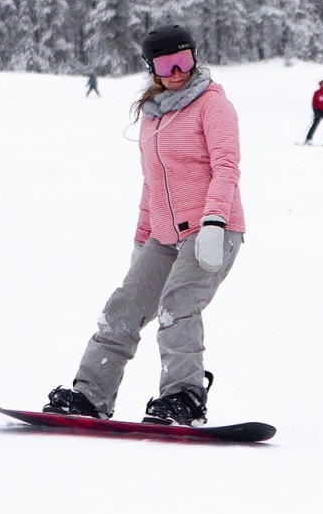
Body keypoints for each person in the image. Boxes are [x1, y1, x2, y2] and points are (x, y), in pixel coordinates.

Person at [43, 24, 245, 426]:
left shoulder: (213, 105)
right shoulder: (153, 118)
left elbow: (226, 167)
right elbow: (152, 184)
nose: (176, 72)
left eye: (184, 61)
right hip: (164, 236)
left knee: (178, 305)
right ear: (151, 69)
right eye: (166, 64)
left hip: (212, 231)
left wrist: (214, 222)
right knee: (123, 307)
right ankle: (89, 395)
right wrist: (141, 241)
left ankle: (184, 397)